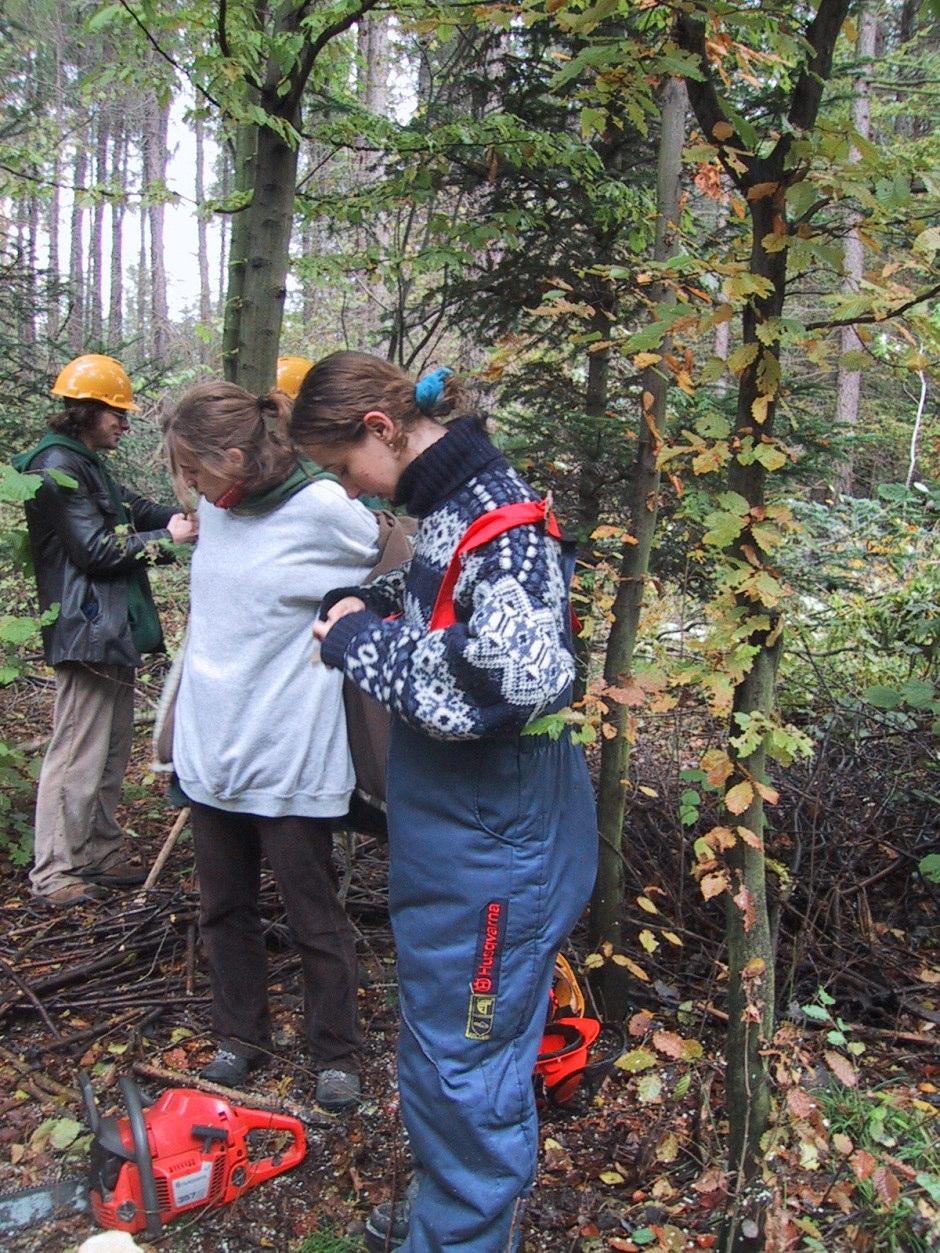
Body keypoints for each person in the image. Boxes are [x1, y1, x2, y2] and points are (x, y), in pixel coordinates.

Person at [291, 351, 598, 1251]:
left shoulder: (500, 519)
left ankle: (462, 1234)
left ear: (382, 431)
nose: (350, 493)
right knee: (442, 1038)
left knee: (466, 1055)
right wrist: (370, 597)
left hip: (498, 839)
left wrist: (358, 644)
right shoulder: (448, 509)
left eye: (346, 470)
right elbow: (444, 604)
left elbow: (515, 680)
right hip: (461, 835)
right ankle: (451, 1211)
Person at [162, 381, 380, 1111]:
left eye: (195, 470)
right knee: (223, 908)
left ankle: (336, 1054)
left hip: (289, 750)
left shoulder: (322, 507)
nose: (189, 486)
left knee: (312, 914)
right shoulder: (220, 512)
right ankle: (240, 1038)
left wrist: (360, 618)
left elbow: (395, 556)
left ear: (235, 454)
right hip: (212, 749)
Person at [12, 354, 198, 910]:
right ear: (86, 411)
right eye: (116, 412)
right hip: (85, 628)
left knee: (111, 748)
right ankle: (55, 870)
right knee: (78, 753)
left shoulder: (86, 462)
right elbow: (94, 551)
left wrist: (188, 513)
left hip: (108, 628)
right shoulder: (56, 466)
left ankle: (98, 852)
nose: (124, 422)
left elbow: (132, 511)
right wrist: (169, 539)